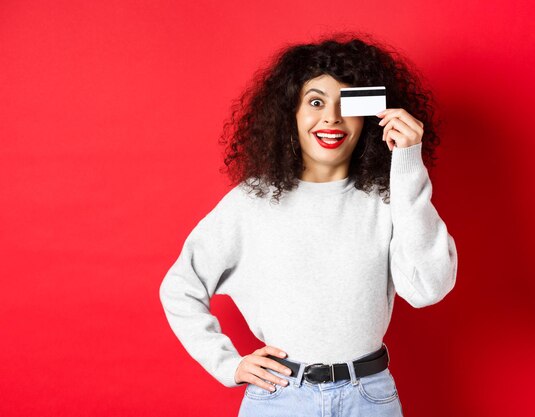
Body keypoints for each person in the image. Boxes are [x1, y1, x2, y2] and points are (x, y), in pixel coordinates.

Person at [159, 32, 458, 417]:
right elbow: (180, 287)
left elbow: (428, 289)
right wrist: (227, 364)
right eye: (315, 102)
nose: (331, 117)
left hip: (369, 397)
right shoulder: (252, 202)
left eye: (347, 103)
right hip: (280, 397)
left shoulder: (388, 199)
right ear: (291, 114)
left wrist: (408, 164)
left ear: (370, 115)